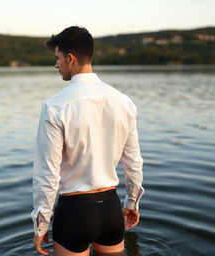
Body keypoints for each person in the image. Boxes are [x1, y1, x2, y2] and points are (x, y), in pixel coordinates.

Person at [31, 26, 144, 256]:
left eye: (58, 58)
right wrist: (131, 203)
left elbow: (47, 174)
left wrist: (41, 224)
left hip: (75, 213)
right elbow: (134, 162)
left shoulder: (54, 106)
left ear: (70, 58)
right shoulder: (124, 102)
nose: (56, 65)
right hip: (111, 210)